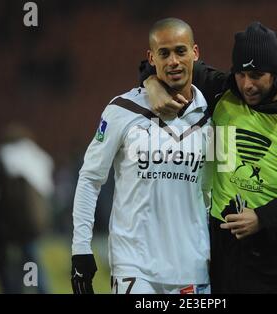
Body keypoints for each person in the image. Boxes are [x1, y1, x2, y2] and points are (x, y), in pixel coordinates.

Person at [142, 21, 277, 293]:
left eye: (257, 75)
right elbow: (169, 63)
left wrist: (264, 218)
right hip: (229, 252)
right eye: (241, 74)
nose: (247, 85)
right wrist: (151, 83)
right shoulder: (223, 92)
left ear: (276, 72)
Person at [71, 18, 212, 294]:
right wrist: (80, 249)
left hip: (193, 269)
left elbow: (214, 193)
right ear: (151, 58)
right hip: (134, 268)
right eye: (164, 53)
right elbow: (90, 179)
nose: (173, 61)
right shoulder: (122, 110)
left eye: (180, 51)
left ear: (195, 53)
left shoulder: (212, 117)